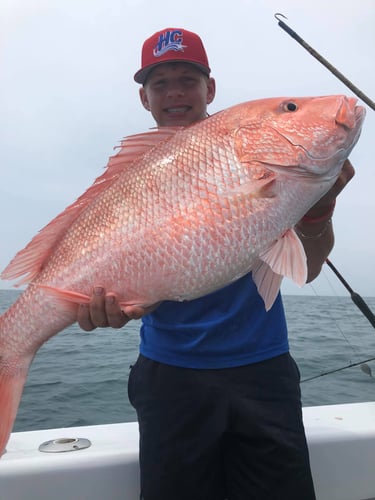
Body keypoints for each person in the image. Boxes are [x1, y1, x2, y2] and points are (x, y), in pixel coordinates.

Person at [77, 28, 355, 500]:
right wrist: (101, 306)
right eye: (160, 83)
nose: (175, 92)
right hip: (170, 378)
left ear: (211, 89)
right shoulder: (133, 175)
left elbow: (305, 267)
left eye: (187, 77)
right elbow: (121, 263)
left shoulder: (254, 150)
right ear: (144, 99)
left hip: (264, 371)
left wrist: (317, 210)